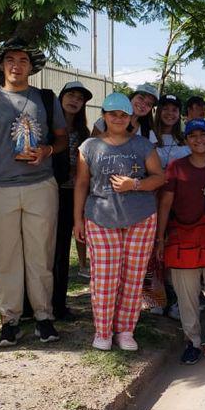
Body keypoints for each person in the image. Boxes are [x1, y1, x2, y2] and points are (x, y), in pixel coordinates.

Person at [0, 37, 67, 346]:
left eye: (23, 61)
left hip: (40, 185)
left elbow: (62, 138)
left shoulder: (44, 99)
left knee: (41, 254)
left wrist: (47, 150)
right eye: (10, 59)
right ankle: (9, 319)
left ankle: (44, 317)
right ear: (1, 64)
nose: (16, 65)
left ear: (31, 67)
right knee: (4, 257)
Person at [73, 93, 163, 351]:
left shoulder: (143, 145)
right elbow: (81, 184)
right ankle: (103, 331)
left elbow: (159, 177)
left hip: (140, 217)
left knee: (133, 278)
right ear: (103, 116)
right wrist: (77, 219)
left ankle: (125, 330)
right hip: (100, 217)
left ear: (129, 117)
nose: (118, 118)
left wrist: (134, 184)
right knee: (104, 277)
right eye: (113, 114)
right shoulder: (89, 147)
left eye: (123, 114)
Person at [157, 119, 205, 361]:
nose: (199, 139)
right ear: (186, 140)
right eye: (193, 135)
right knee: (187, 297)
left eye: (203, 135)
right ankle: (192, 342)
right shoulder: (176, 167)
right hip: (181, 238)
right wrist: (159, 238)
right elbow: (165, 203)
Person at [52, 81, 92, 321]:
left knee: (62, 253)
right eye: (71, 95)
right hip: (47, 191)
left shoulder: (83, 133)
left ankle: (58, 304)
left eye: (80, 98)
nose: (75, 100)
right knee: (46, 250)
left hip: (71, 194)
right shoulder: (47, 127)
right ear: (61, 97)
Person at [90, 83, 158, 137]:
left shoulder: (148, 132)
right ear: (131, 98)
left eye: (149, 104)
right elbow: (90, 149)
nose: (143, 105)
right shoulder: (105, 122)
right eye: (141, 98)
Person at [154, 94, 190, 169]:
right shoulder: (148, 135)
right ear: (159, 111)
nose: (170, 113)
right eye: (165, 108)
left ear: (179, 114)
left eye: (174, 110)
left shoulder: (186, 139)